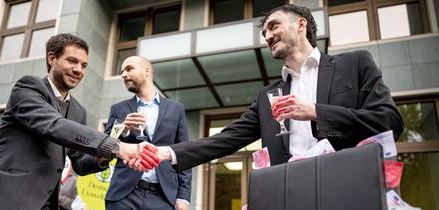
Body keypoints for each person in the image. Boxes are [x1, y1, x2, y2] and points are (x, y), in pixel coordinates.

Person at [148, 4, 404, 171]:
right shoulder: (267, 97)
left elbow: (388, 121)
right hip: (288, 193)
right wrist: (166, 152)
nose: (268, 36)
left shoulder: (355, 64)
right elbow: (225, 139)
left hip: (346, 190)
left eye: (274, 26)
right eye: (265, 33)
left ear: (301, 24)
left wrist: (316, 112)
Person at [0, 34, 158, 209]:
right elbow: (54, 125)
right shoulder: (28, 87)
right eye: (72, 61)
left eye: (84, 65)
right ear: (52, 58)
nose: (78, 69)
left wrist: (104, 156)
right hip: (3, 197)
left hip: (46, 202)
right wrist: (116, 146)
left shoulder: (78, 110)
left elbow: (80, 162)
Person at [104, 56, 192, 210]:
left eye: (129, 69)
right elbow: (105, 146)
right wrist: (122, 128)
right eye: (122, 71)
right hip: (123, 195)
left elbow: (183, 154)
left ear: (146, 71)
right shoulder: (118, 109)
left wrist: (183, 196)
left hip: (163, 197)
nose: (123, 74)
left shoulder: (176, 109)